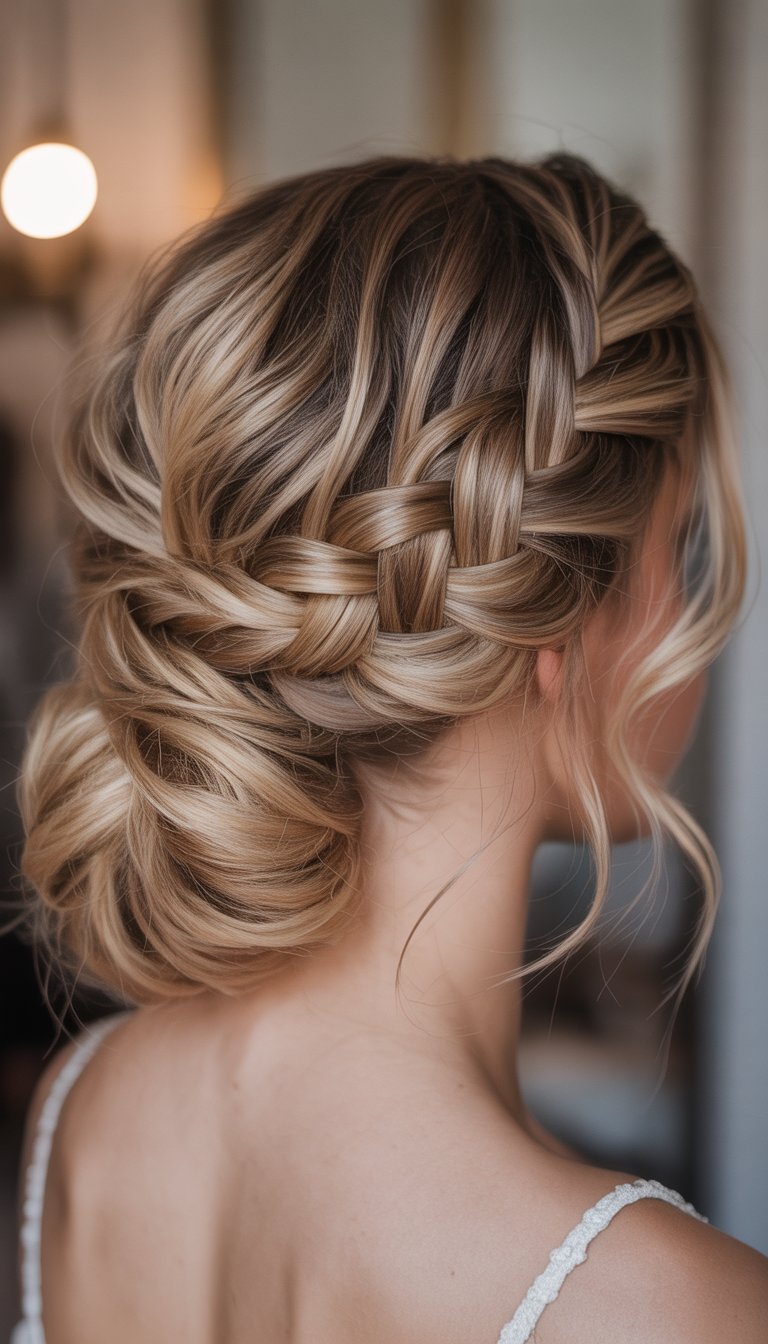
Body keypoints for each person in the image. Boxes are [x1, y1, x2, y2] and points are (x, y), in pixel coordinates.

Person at [7, 152, 768, 1343]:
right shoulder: (667, 1310)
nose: (689, 624)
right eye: (683, 549)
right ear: (555, 626)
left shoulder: (86, 1115)